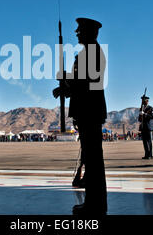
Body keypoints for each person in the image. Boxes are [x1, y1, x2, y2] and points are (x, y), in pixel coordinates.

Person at [53, 17, 107, 215]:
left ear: (89, 32)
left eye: (79, 30)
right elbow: (82, 82)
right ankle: (94, 203)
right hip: (87, 110)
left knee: (93, 161)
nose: (76, 33)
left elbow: (87, 83)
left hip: (90, 110)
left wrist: (66, 82)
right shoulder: (88, 52)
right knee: (91, 159)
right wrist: (66, 83)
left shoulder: (92, 52)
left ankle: (96, 205)